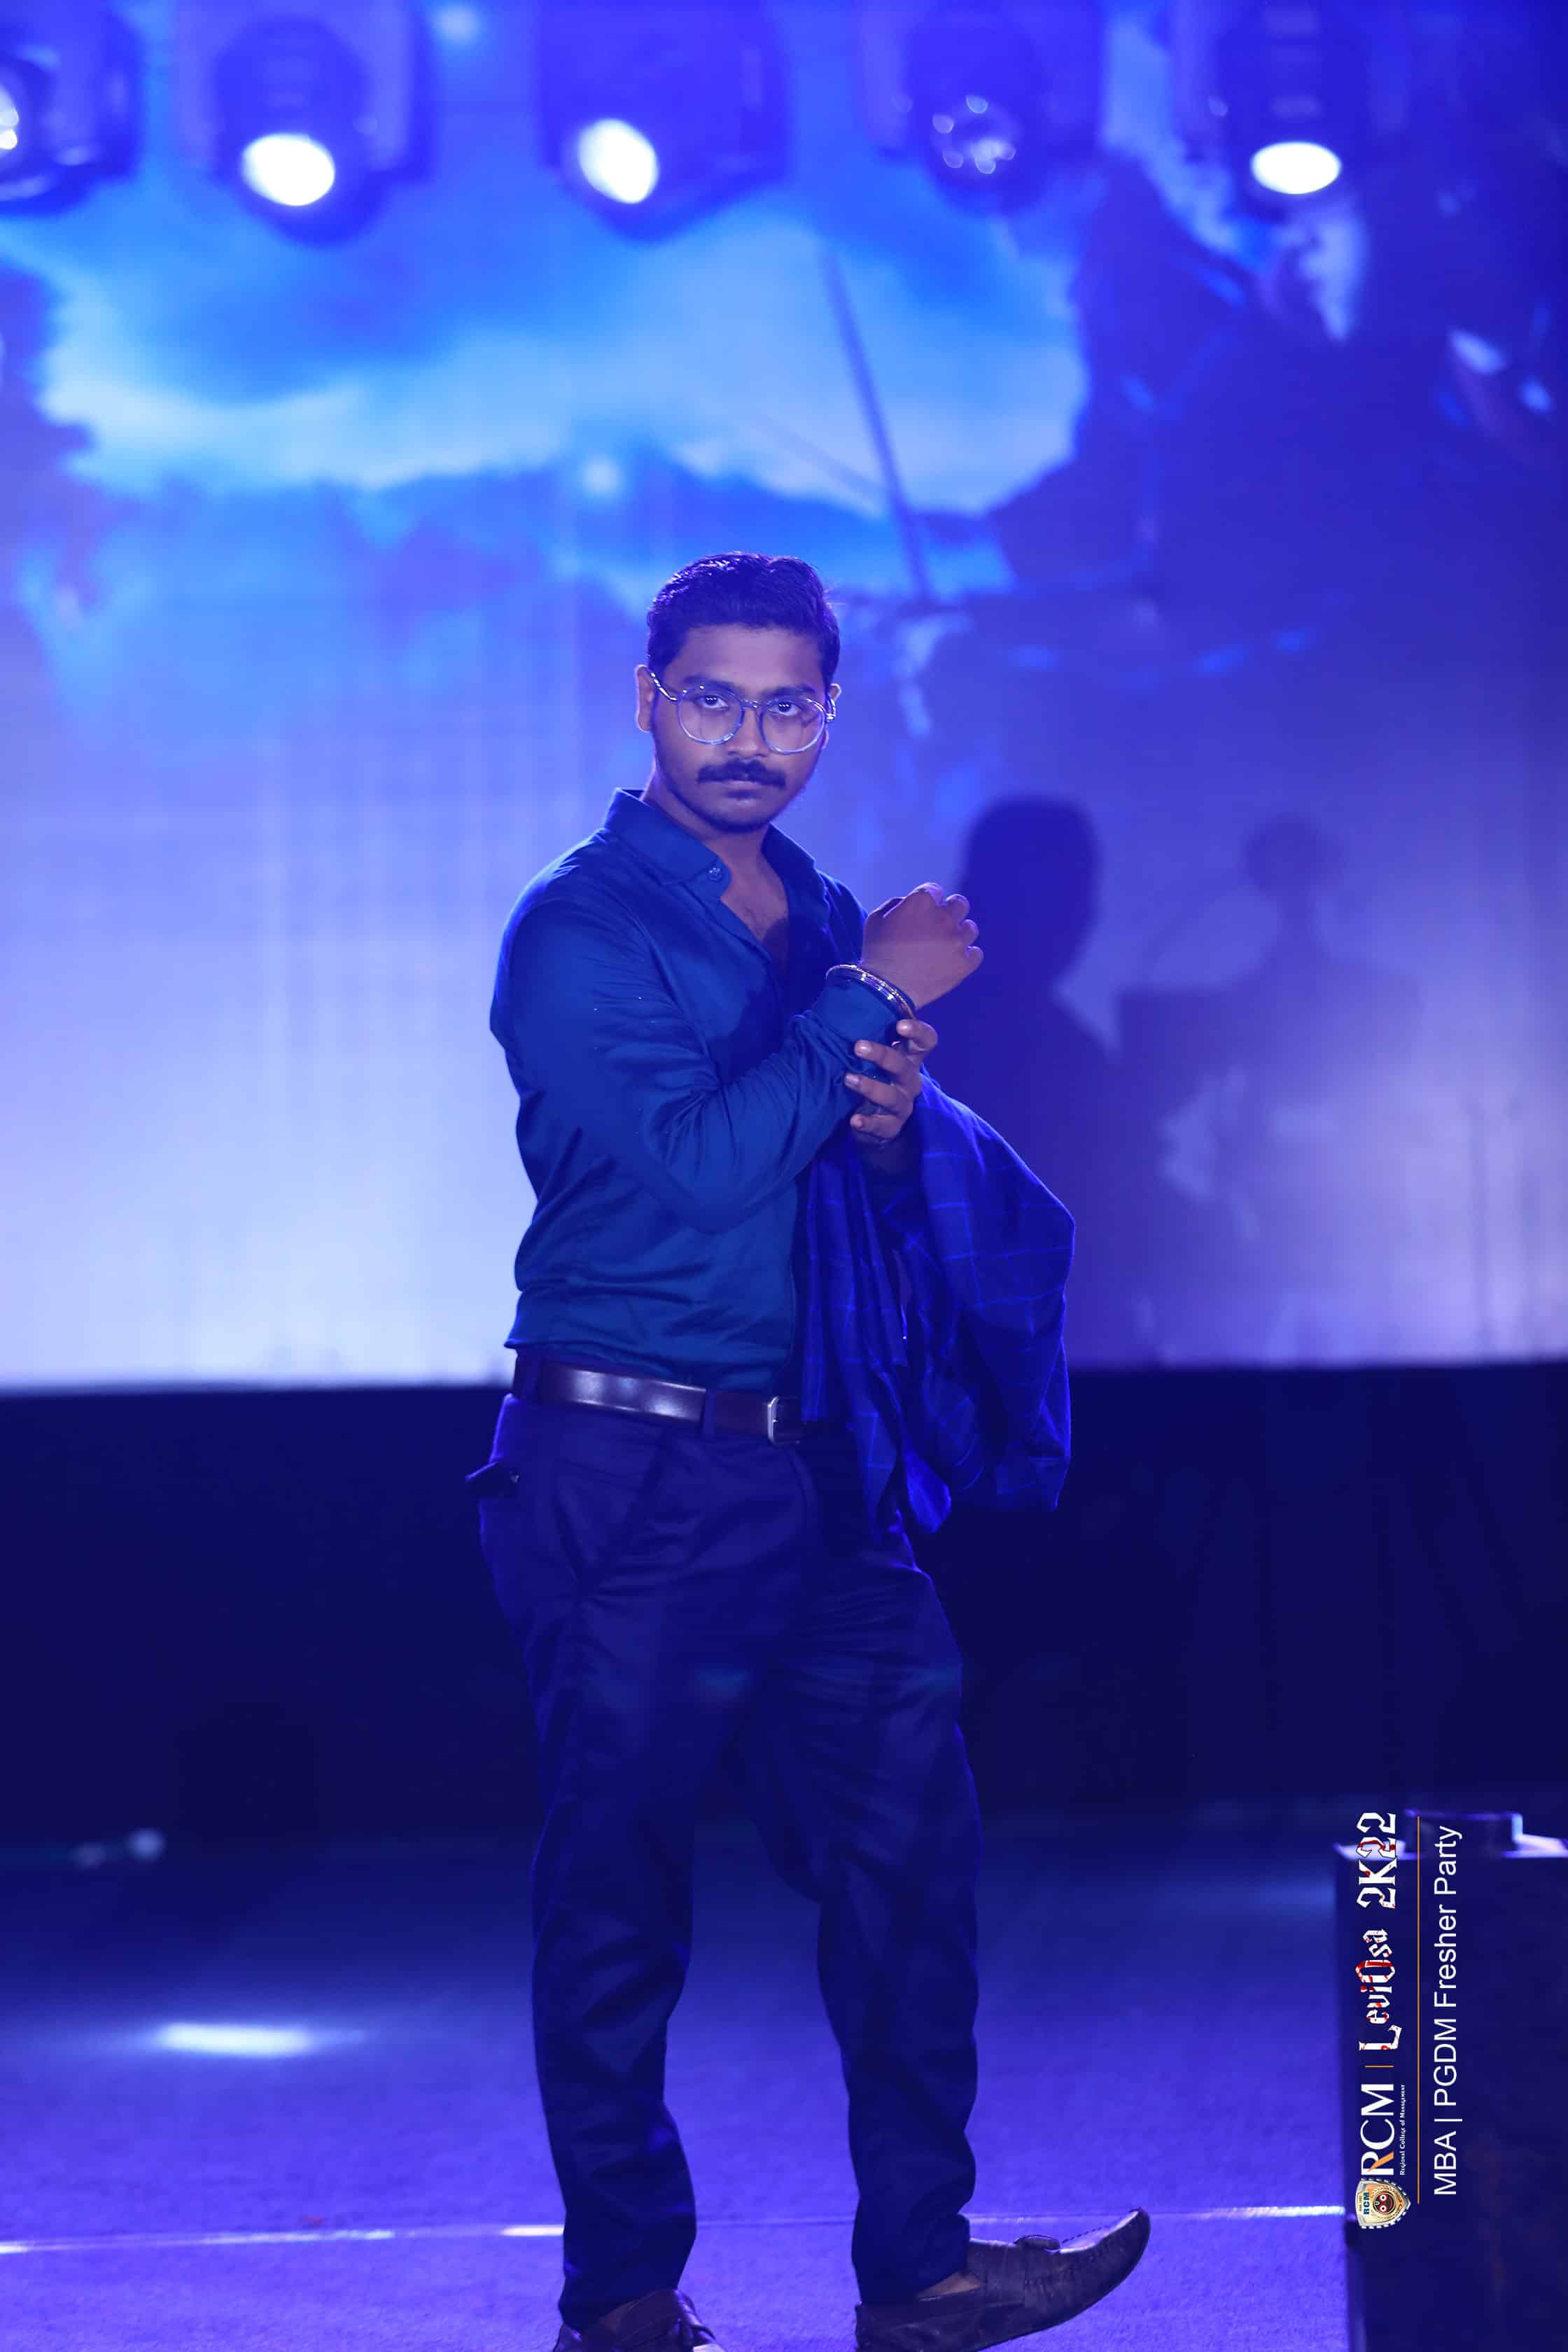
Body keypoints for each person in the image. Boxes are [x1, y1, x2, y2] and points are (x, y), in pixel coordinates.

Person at [470, 553, 1149, 2352]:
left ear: (829, 713)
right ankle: (623, 2302)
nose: (748, 738)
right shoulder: (580, 927)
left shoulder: (820, 908)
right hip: (628, 1467)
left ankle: (920, 2272)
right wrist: (869, 998)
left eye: (786, 705)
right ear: (648, 699)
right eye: (712, 697)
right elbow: (700, 1167)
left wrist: (892, 1121)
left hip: (818, 1462)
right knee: (620, 1899)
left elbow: (825, 1164)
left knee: (913, 1864)